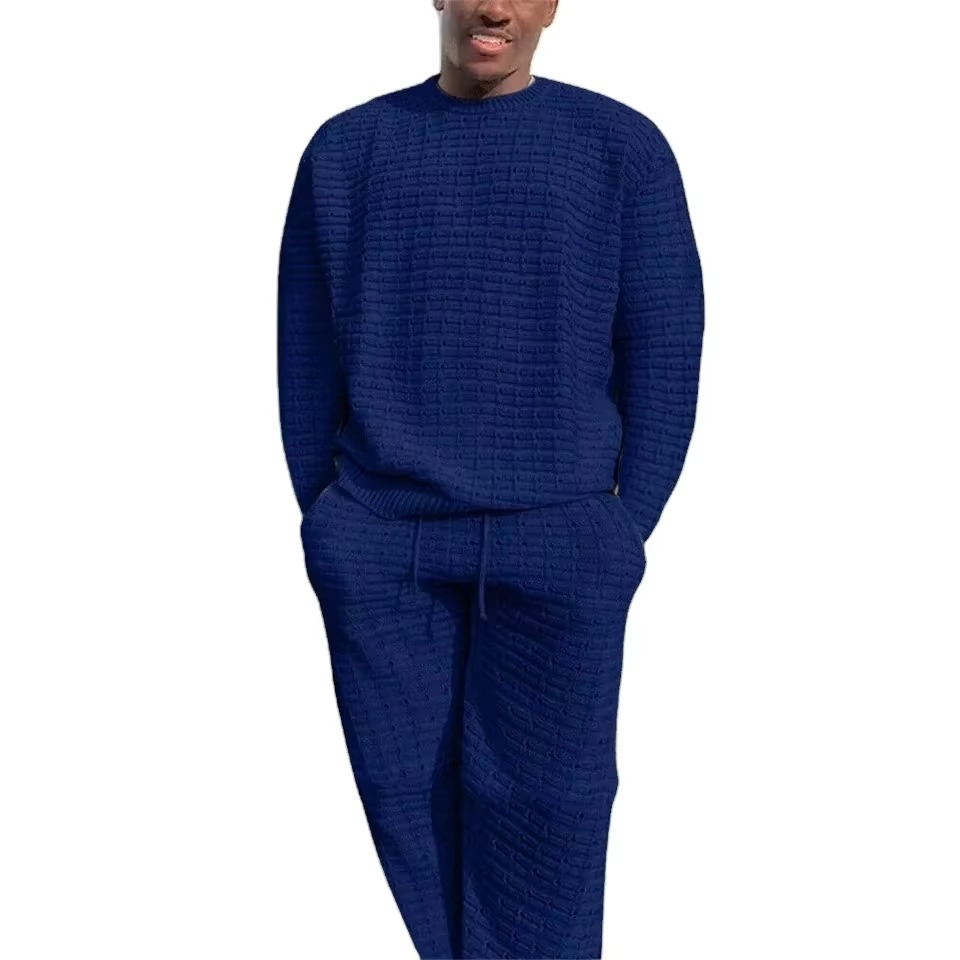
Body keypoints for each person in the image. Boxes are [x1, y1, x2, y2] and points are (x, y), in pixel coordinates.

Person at [277, 1, 704, 956]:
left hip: (557, 537)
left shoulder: (620, 149)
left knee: (554, 811)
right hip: (386, 537)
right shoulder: (348, 152)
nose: (495, 6)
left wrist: (615, 528)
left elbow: (666, 345)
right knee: (407, 803)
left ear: (554, 6)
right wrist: (334, 523)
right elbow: (304, 351)